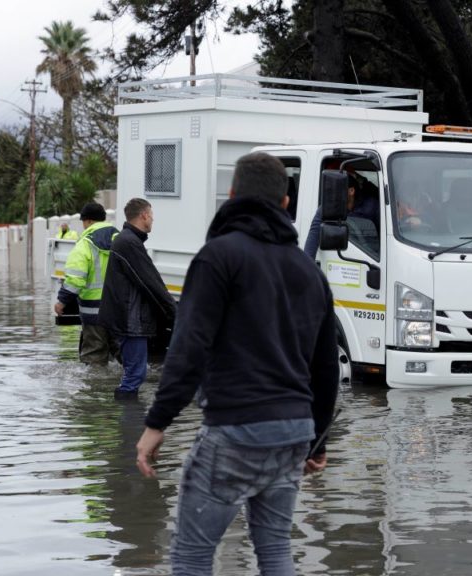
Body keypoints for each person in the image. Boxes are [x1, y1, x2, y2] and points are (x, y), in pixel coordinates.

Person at [134, 151, 339, 576]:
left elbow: (188, 347)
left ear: (231, 196)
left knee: (191, 555)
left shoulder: (219, 257)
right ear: (285, 205)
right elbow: (327, 369)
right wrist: (316, 439)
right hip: (292, 432)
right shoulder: (310, 271)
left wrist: (157, 423)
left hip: (236, 429)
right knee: (277, 550)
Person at [99, 198, 176, 400]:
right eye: (151, 215)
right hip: (131, 321)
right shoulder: (129, 243)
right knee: (135, 375)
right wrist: (175, 313)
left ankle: (128, 422)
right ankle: (129, 424)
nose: (152, 220)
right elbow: (151, 283)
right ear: (143, 215)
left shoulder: (128, 240)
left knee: (134, 373)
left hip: (129, 319)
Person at [53, 202, 118, 364]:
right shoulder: (122, 238)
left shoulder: (84, 244)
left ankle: (94, 389)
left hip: (93, 313)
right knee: (122, 355)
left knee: (94, 358)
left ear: (87, 221)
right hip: (119, 310)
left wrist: (62, 302)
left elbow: (75, 280)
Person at [303, 171, 379, 259]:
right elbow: (314, 235)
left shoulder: (371, 206)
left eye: (338, 190)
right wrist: (306, 267)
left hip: (370, 257)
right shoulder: (327, 207)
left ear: (351, 191)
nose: (333, 194)